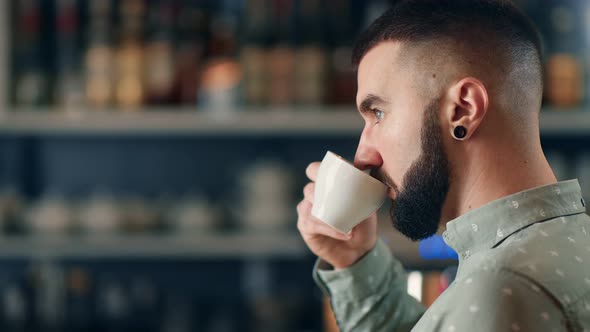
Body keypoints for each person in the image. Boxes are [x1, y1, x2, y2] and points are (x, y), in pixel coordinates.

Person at [296, 0, 590, 331]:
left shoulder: (500, 290)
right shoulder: (566, 249)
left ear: (463, 109)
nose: (363, 154)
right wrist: (354, 260)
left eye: (378, 112)